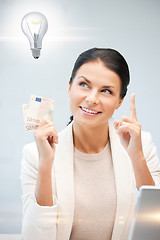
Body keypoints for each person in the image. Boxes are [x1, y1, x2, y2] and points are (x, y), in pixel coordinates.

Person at [20, 48, 160, 240]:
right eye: (84, 84)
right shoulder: (34, 155)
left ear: (119, 101)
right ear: (70, 87)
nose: (92, 99)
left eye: (106, 91)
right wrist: (45, 165)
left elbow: (154, 228)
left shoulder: (142, 145)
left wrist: (137, 157)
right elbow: (34, 237)